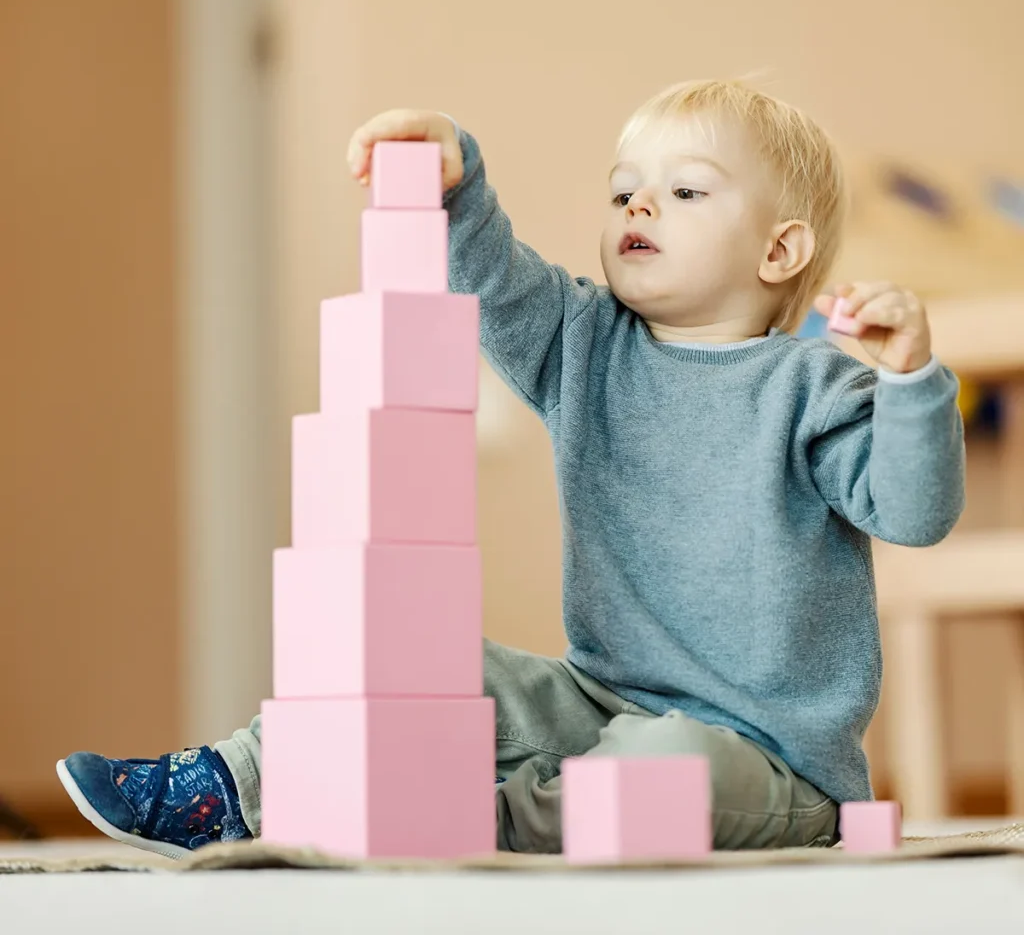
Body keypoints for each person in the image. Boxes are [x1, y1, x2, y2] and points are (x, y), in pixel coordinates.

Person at [57, 80, 965, 859]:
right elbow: (495, 281)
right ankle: (235, 785)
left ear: (779, 251)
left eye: (684, 191)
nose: (638, 208)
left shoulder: (816, 384)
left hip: (769, 758)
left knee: (661, 767)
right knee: (422, 658)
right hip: (597, 699)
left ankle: (467, 816)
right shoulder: (585, 344)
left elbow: (915, 513)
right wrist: (457, 178)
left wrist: (913, 384)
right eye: (623, 192)